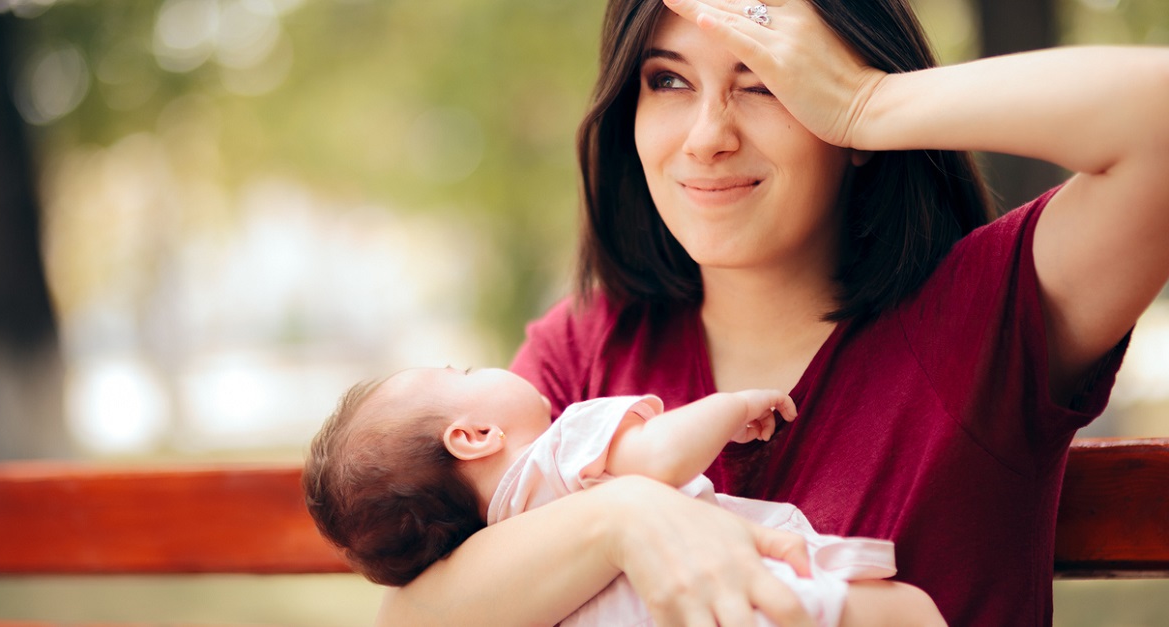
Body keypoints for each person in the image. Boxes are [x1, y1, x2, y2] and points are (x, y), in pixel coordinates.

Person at [374, 0, 1169, 625]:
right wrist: (625, 515)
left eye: (764, 81)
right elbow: (416, 614)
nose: (707, 135)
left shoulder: (985, 314)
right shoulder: (587, 348)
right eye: (668, 79)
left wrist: (869, 104)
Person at [305, 366, 942, 626]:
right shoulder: (563, 447)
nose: (481, 366)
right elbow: (657, 454)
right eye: (464, 372)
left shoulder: (504, 540)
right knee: (907, 609)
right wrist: (731, 408)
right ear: (473, 436)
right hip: (740, 603)